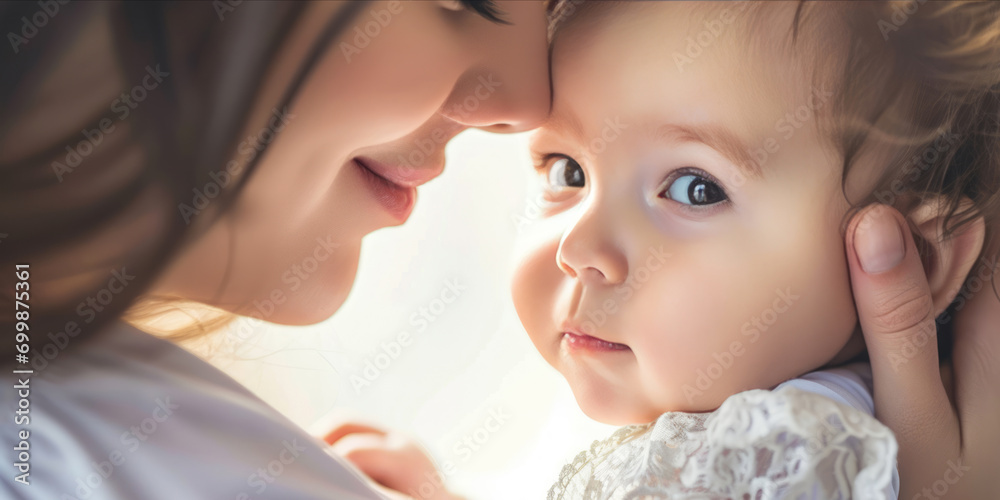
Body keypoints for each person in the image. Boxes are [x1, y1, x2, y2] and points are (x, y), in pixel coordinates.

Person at [0, 1, 996, 499]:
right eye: (563, 173)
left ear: (922, 252)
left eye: (694, 188)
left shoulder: (799, 453)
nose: (582, 249)